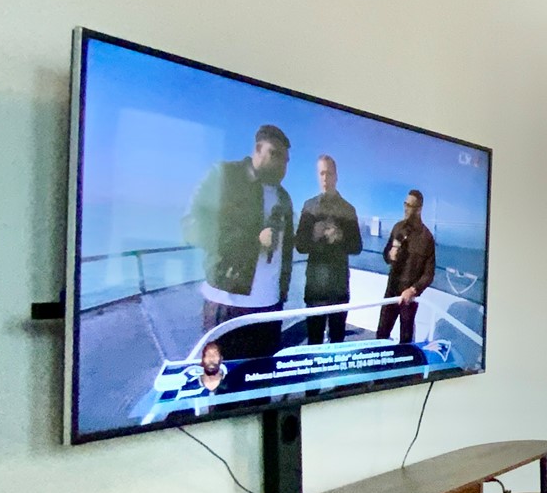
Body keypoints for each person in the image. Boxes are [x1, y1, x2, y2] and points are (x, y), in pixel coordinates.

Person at [183, 124, 295, 361]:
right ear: (257, 149)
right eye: (275, 154)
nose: (281, 165)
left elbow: (286, 252)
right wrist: (253, 240)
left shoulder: (284, 197)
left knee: (261, 387)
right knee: (221, 387)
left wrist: (281, 296)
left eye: (285, 160)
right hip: (227, 304)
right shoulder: (225, 175)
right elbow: (192, 226)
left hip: (270, 307)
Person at [293, 154, 363, 346]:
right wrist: (314, 235)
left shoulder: (348, 209)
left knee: (337, 343)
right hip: (315, 288)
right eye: (322, 173)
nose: (325, 178)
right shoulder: (309, 207)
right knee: (313, 342)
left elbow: (357, 246)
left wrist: (340, 236)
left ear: (336, 176)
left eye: (329, 173)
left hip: (339, 288)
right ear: (318, 175)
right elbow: (300, 245)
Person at [376, 189, 437, 345]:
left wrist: (413, 290)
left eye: (410, 205)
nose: (406, 208)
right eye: (405, 204)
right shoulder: (397, 228)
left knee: (406, 338)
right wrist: (390, 254)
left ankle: (404, 368)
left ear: (419, 209)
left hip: (409, 297)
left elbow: (428, 274)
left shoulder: (427, 238)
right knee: (381, 333)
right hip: (391, 291)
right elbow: (385, 256)